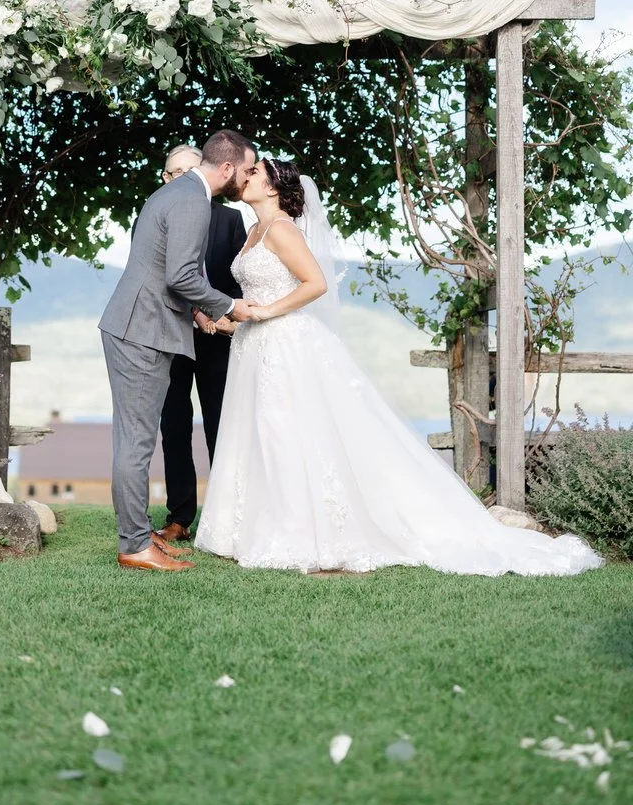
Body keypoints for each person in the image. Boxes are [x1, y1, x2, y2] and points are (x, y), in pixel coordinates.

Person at [195, 158, 603, 577]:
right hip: (255, 347)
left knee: (289, 432)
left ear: (274, 187)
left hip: (287, 345)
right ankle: (253, 525)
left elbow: (314, 284)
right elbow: (255, 293)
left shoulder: (282, 229)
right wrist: (224, 319)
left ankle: (304, 529)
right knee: (260, 432)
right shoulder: (253, 232)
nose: (247, 177)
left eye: (256, 173)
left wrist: (265, 313)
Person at [99, 130, 258, 572]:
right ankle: (134, 546)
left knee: (134, 439)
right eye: (246, 170)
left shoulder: (178, 192)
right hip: (142, 330)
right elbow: (182, 277)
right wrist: (229, 305)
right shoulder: (192, 199)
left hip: (138, 326)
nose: (247, 179)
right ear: (226, 168)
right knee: (136, 442)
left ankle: (138, 535)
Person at [155, 144, 247, 544]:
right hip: (173, 335)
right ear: (166, 178)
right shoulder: (159, 214)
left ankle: (229, 515)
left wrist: (219, 317)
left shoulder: (229, 219)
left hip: (219, 340)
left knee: (221, 426)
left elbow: (238, 280)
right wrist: (196, 312)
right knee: (174, 428)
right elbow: (163, 276)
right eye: (178, 173)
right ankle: (180, 516)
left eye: (193, 171)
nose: (186, 180)